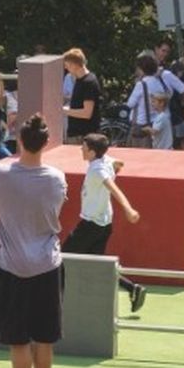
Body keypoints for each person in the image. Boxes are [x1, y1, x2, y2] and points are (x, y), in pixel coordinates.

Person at [0, 114, 66, 368]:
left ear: (19, 140)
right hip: (47, 266)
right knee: (44, 339)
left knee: (18, 340)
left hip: (11, 268)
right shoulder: (57, 178)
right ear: (46, 143)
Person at [62, 133, 145, 312]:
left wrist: (128, 209)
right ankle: (133, 288)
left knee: (61, 260)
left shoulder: (97, 170)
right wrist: (115, 169)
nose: (80, 149)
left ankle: (53, 303)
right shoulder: (105, 160)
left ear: (92, 152)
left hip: (89, 225)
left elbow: (114, 190)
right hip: (104, 225)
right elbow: (120, 163)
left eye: (84, 147)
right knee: (98, 266)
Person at [125, 54, 171, 149]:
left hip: (141, 124)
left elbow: (130, 104)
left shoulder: (141, 84)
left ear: (141, 69)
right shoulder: (159, 82)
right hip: (156, 122)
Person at [62, 48, 101, 143]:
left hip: (83, 136)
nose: (66, 68)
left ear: (75, 65)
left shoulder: (89, 82)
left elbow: (87, 113)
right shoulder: (79, 80)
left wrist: (64, 111)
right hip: (76, 134)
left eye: (67, 65)